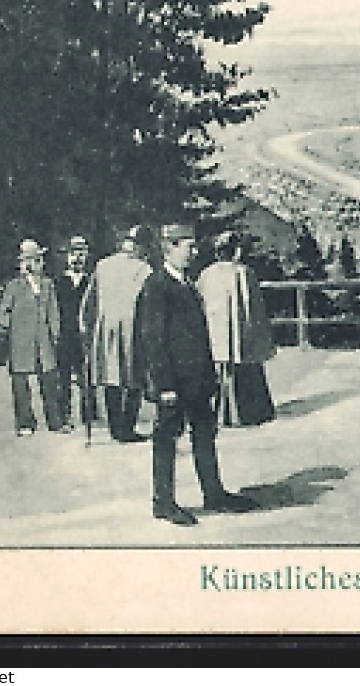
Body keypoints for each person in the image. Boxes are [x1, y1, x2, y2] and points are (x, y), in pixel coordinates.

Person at [135, 224, 259, 526]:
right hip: (174, 383)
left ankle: (213, 493)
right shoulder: (157, 286)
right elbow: (153, 340)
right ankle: (163, 502)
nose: (194, 252)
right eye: (187, 247)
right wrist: (164, 385)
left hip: (197, 380)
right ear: (170, 248)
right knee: (166, 439)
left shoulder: (185, 283)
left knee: (205, 435)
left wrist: (209, 377)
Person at [79, 226, 153, 443]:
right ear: (141, 247)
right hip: (132, 329)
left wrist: (86, 326)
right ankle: (127, 428)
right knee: (134, 378)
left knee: (112, 378)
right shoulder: (143, 269)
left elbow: (88, 301)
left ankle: (115, 428)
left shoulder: (103, 265)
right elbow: (148, 303)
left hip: (107, 329)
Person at [195, 231, 277, 427]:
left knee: (219, 368)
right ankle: (248, 412)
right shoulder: (243, 272)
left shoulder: (206, 274)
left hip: (215, 331)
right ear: (237, 252)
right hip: (241, 331)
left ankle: (221, 413)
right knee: (244, 366)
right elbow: (253, 308)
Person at [0, 239, 70, 436]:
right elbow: (2, 314)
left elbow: (54, 312)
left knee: (49, 382)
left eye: (38, 260)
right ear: (22, 264)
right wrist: (14, 327)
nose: (34, 264)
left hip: (44, 341)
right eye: (30, 261)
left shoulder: (48, 285)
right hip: (21, 343)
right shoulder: (14, 286)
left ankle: (55, 421)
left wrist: (55, 333)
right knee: (21, 384)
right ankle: (25, 423)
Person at [53, 235, 94, 428]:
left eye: (81, 253)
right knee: (63, 377)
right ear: (66, 257)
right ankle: (64, 417)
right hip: (64, 335)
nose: (77, 258)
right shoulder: (58, 283)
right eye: (73, 253)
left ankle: (89, 416)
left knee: (86, 375)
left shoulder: (91, 283)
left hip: (84, 335)